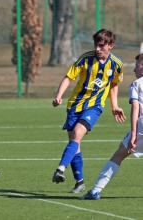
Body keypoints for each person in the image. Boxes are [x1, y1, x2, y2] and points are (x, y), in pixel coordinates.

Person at [51, 29, 126, 193]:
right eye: (96, 45)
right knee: (74, 143)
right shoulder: (85, 59)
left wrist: (114, 106)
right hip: (75, 105)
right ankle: (80, 181)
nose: (97, 49)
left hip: (95, 106)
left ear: (110, 46)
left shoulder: (117, 64)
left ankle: (60, 169)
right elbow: (68, 77)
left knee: (77, 134)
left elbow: (114, 84)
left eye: (101, 46)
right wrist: (58, 96)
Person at [80, 53, 143, 200]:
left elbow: (135, 107)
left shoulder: (136, 85)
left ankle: (95, 191)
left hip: (141, 129)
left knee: (119, 155)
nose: (134, 70)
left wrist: (134, 134)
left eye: (137, 66)